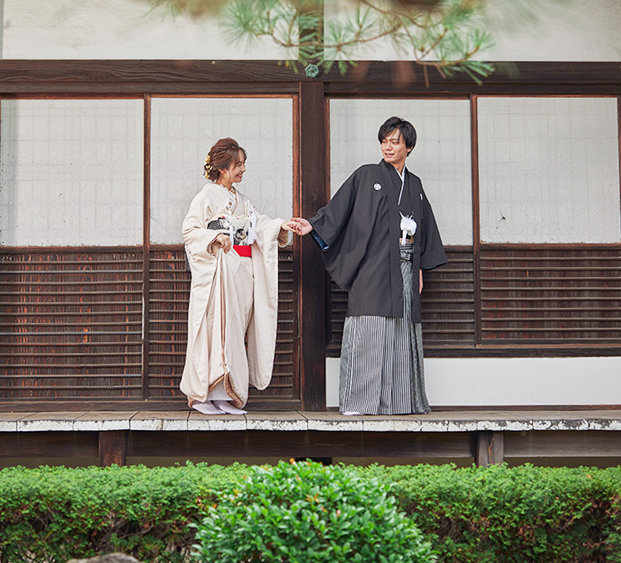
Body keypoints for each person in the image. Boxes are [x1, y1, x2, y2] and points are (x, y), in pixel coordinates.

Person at [289, 116, 446, 415]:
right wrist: (313, 225)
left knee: (401, 331)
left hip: (406, 266)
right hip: (372, 266)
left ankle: (401, 401)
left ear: (409, 147)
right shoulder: (366, 175)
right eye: (384, 141)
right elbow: (340, 209)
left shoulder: (415, 184)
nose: (388, 146)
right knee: (368, 330)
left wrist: (420, 269)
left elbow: (424, 228)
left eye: (395, 141)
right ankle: (357, 402)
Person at [181, 138, 293, 415]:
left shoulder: (242, 201)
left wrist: (281, 224)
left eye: (243, 164)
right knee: (213, 332)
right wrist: (215, 236)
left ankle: (225, 394)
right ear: (222, 167)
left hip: (241, 273)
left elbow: (260, 226)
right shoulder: (206, 196)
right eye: (238, 165)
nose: (243, 170)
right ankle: (202, 395)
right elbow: (190, 231)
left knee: (233, 333)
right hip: (217, 272)